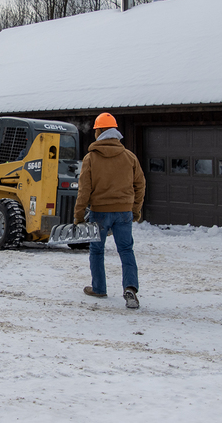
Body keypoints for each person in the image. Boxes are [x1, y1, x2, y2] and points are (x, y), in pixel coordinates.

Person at [74, 112, 146, 309]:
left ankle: (99, 288)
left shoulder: (91, 159)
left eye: (96, 130)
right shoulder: (129, 157)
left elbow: (84, 190)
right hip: (124, 212)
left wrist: (78, 216)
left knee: (97, 251)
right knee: (126, 250)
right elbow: (140, 185)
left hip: (100, 213)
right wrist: (135, 210)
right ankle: (130, 288)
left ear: (100, 131)